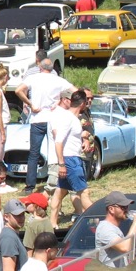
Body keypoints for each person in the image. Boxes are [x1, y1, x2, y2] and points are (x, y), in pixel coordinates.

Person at [15, 58, 72, 194]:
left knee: (34, 153)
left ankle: (30, 186)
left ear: (40, 67)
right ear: (52, 68)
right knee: (55, 151)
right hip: (53, 119)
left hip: (37, 118)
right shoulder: (57, 79)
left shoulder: (33, 78)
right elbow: (75, 91)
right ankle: (56, 181)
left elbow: (18, 91)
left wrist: (30, 104)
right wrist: (60, 102)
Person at [48, 90, 93, 227]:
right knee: (83, 191)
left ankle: (52, 223)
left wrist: (83, 138)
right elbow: (58, 141)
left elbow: (70, 137)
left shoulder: (73, 118)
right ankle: (98, 219)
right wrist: (61, 164)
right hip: (70, 160)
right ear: (83, 103)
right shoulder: (68, 118)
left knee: (59, 192)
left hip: (72, 158)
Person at [95, 190, 136, 267]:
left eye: (127, 207)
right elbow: (124, 248)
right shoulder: (105, 228)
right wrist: (135, 222)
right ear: (111, 209)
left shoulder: (113, 228)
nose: (126, 210)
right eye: (123, 207)